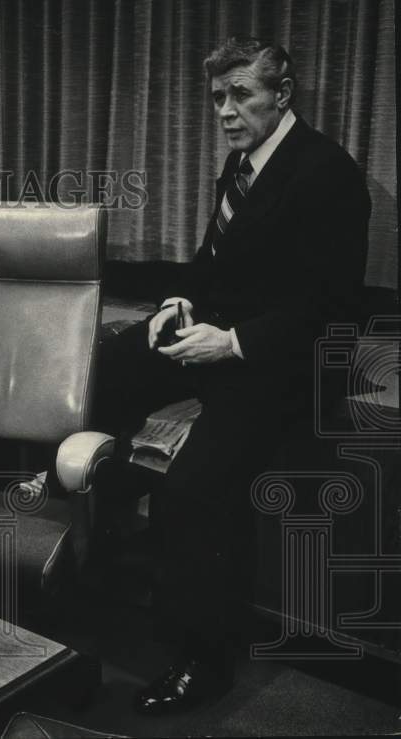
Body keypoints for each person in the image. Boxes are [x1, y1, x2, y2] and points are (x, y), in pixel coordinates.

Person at [93, 37, 370, 715]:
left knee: (194, 488)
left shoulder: (325, 172)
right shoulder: (242, 161)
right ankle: (105, 525)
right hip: (219, 336)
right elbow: (213, 261)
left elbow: (328, 306)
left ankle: (204, 660)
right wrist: (176, 304)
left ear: (283, 93)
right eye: (218, 96)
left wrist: (235, 342)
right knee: (109, 366)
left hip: (285, 362)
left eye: (241, 93)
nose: (225, 110)